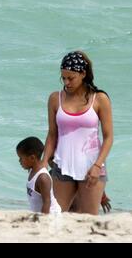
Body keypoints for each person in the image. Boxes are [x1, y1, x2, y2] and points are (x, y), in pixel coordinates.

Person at [42, 51, 113, 215]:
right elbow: (52, 135)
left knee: (88, 219)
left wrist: (97, 166)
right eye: (63, 78)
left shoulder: (100, 99)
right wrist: (44, 161)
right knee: (55, 215)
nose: (66, 82)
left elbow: (109, 137)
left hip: (91, 168)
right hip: (61, 167)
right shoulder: (55, 98)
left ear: (83, 73)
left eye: (70, 78)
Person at [17, 137, 61, 214]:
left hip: (51, 215)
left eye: (21, 158)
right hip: (38, 213)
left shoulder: (42, 178)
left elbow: (47, 202)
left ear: (32, 158)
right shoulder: (31, 170)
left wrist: (43, 222)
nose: (19, 161)